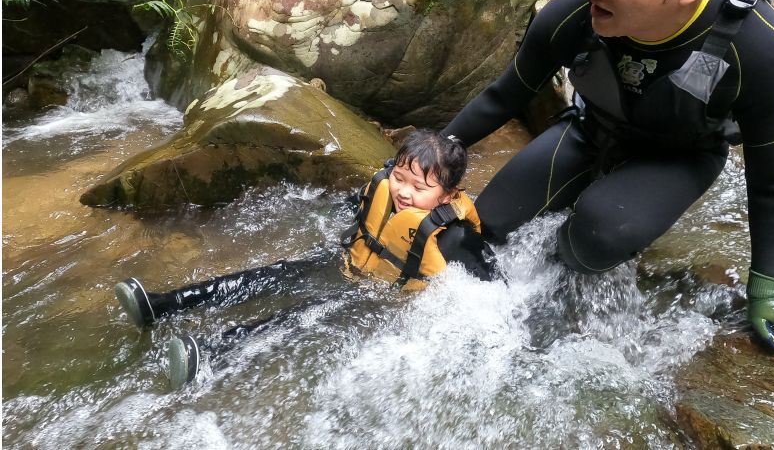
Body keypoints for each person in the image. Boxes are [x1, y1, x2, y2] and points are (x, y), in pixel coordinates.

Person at [442, 0, 774, 353]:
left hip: (680, 155)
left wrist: (769, 286)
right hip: (592, 129)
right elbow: (506, 94)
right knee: (479, 232)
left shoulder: (763, 51)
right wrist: (430, 157)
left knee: (596, 237)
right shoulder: (576, 15)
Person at [114, 129, 497, 388]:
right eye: (400, 177)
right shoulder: (383, 187)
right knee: (267, 276)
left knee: (304, 314)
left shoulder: (454, 236)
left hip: (381, 297)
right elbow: (355, 209)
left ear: (447, 196)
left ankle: (211, 355)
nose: (404, 192)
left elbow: (492, 284)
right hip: (351, 263)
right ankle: (163, 305)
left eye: (420, 187)